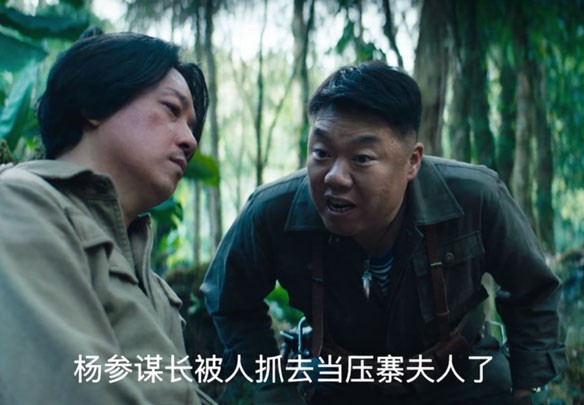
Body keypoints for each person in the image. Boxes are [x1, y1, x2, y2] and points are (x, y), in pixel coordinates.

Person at [201, 61, 566, 404]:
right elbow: (229, 300)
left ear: (412, 161)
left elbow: (533, 290)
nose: (335, 177)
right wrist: (274, 387)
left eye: (361, 158)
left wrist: (526, 389)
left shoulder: (474, 197)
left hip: (458, 375)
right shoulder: (272, 211)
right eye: (321, 153)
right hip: (336, 380)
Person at [0, 31, 216, 404]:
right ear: (94, 103)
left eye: (191, 125)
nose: (190, 140)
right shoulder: (8, 207)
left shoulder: (156, 291)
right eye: (171, 110)